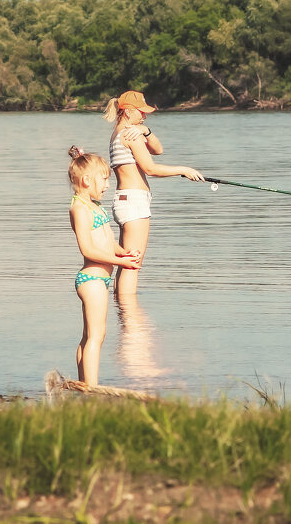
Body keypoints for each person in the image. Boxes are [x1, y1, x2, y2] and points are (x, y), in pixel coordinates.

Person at [103, 90, 204, 298]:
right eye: (142, 112)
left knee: (127, 262)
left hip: (124, 201)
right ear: (129, 111)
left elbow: (158, 149)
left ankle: (122, 313)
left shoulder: (120, 133)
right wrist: (183, 170)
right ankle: (130, 318)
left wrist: (145, 130)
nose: (145, 116)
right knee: (133, 264)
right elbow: (150, 168)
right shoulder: (130, 135)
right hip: (134, 203)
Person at [67, 145, 141, 386]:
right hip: (92, 279)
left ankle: (81, 386)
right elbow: (87, 250)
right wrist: (119, 262)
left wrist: (124, 253)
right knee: (97, 337)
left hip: (99, 280)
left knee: (88, 336)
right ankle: (91, 389)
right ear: (87, 180)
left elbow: (108, 242)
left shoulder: (94, 206)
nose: (108, 185)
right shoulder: (79, 208)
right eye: (104, 179)